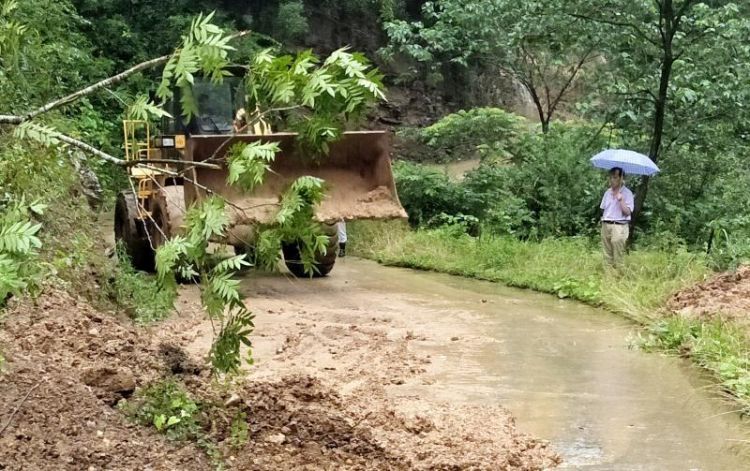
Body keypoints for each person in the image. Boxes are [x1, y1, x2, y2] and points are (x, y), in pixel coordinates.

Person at [600, 167, 634, 269]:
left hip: (619, 226)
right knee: (607, 254)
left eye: (614, 177)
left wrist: (621, 200)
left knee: (618, 254)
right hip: (606, 224)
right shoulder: (607, 192)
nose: (611, 180)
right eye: (610, 177)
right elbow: (602, 208)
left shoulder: (627, 193)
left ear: (621, 179)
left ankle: (620, 277)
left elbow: (627, 212)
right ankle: (608, 278)